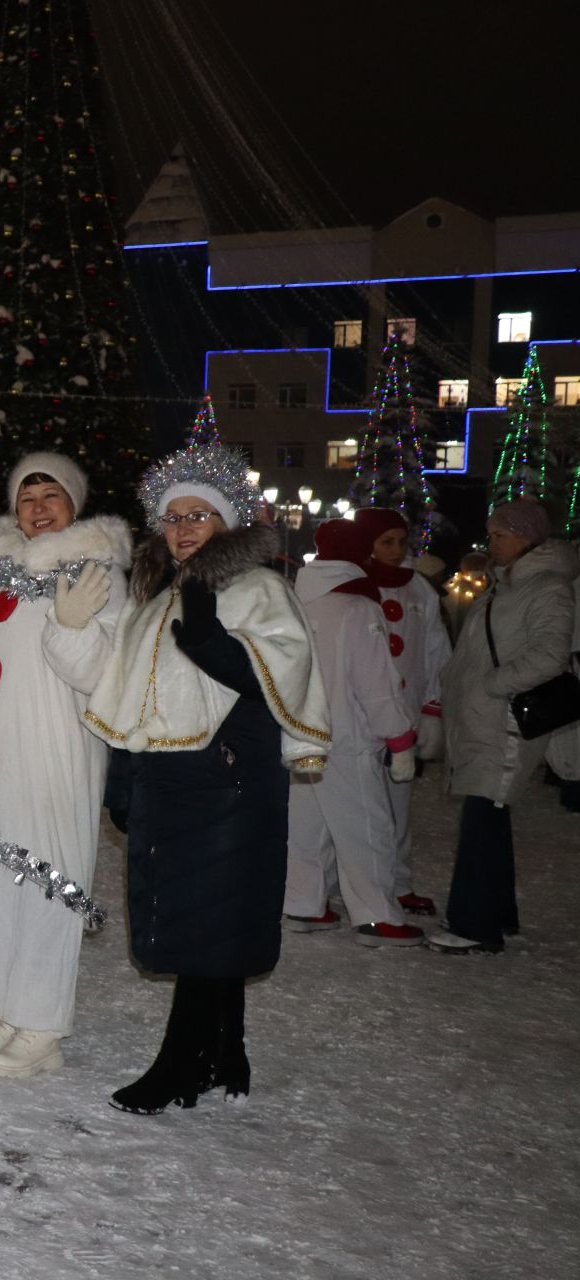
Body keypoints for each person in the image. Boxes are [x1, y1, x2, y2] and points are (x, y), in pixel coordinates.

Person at [84, 443, 328, 1114]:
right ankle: (226, 1049)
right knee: (203, 923)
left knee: (206, 922)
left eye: (200, 515)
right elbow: (134, 693)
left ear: (227, 522)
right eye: (173, 517)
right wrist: (125, 776)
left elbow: (272, 676)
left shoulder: (258, 589)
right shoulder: (158, 595)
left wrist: (202, 625)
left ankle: (179, 1065)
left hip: (230, 781)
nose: (185, 527)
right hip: (170, 779)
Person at [0, 453, 130, 1076]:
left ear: (75, 504)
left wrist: (69, 627)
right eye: (28, 497)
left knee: (44, 882)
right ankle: (8, 1012)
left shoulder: (98, 571)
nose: (39, 509)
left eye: (52, 497)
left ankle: (43, 1029)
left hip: (53, 751)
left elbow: (101, 673)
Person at [429, 499, 577, 954]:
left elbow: (550, 655)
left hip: (505, 720)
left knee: (482, 819)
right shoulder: (506, 585)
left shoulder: (546, 587)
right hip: (484, 717)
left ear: (527, 536)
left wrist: (493, 686)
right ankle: (497, 914)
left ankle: (474, 925)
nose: (491, 542)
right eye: (491, 534)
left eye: (500, 534)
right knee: (488, 817)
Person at [281, 519, 420, 945]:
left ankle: (302, 902)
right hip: (347, 737)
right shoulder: (357, 609)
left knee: (306, 828)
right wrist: (399, 737)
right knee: (367, 827)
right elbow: (376, 684)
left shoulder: (297, 601)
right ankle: (377, 914)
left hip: (301, 733)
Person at [355, 507, 452, 914]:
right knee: (355, 804)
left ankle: (398, 880)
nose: (396, 551)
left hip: (405, 716)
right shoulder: (352, 587)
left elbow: (436, 653)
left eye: (401, 542)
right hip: (358, 715)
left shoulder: (420, 591)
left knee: (398, 806)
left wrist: (432, 709)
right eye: (386, 542)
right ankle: (345, 881)